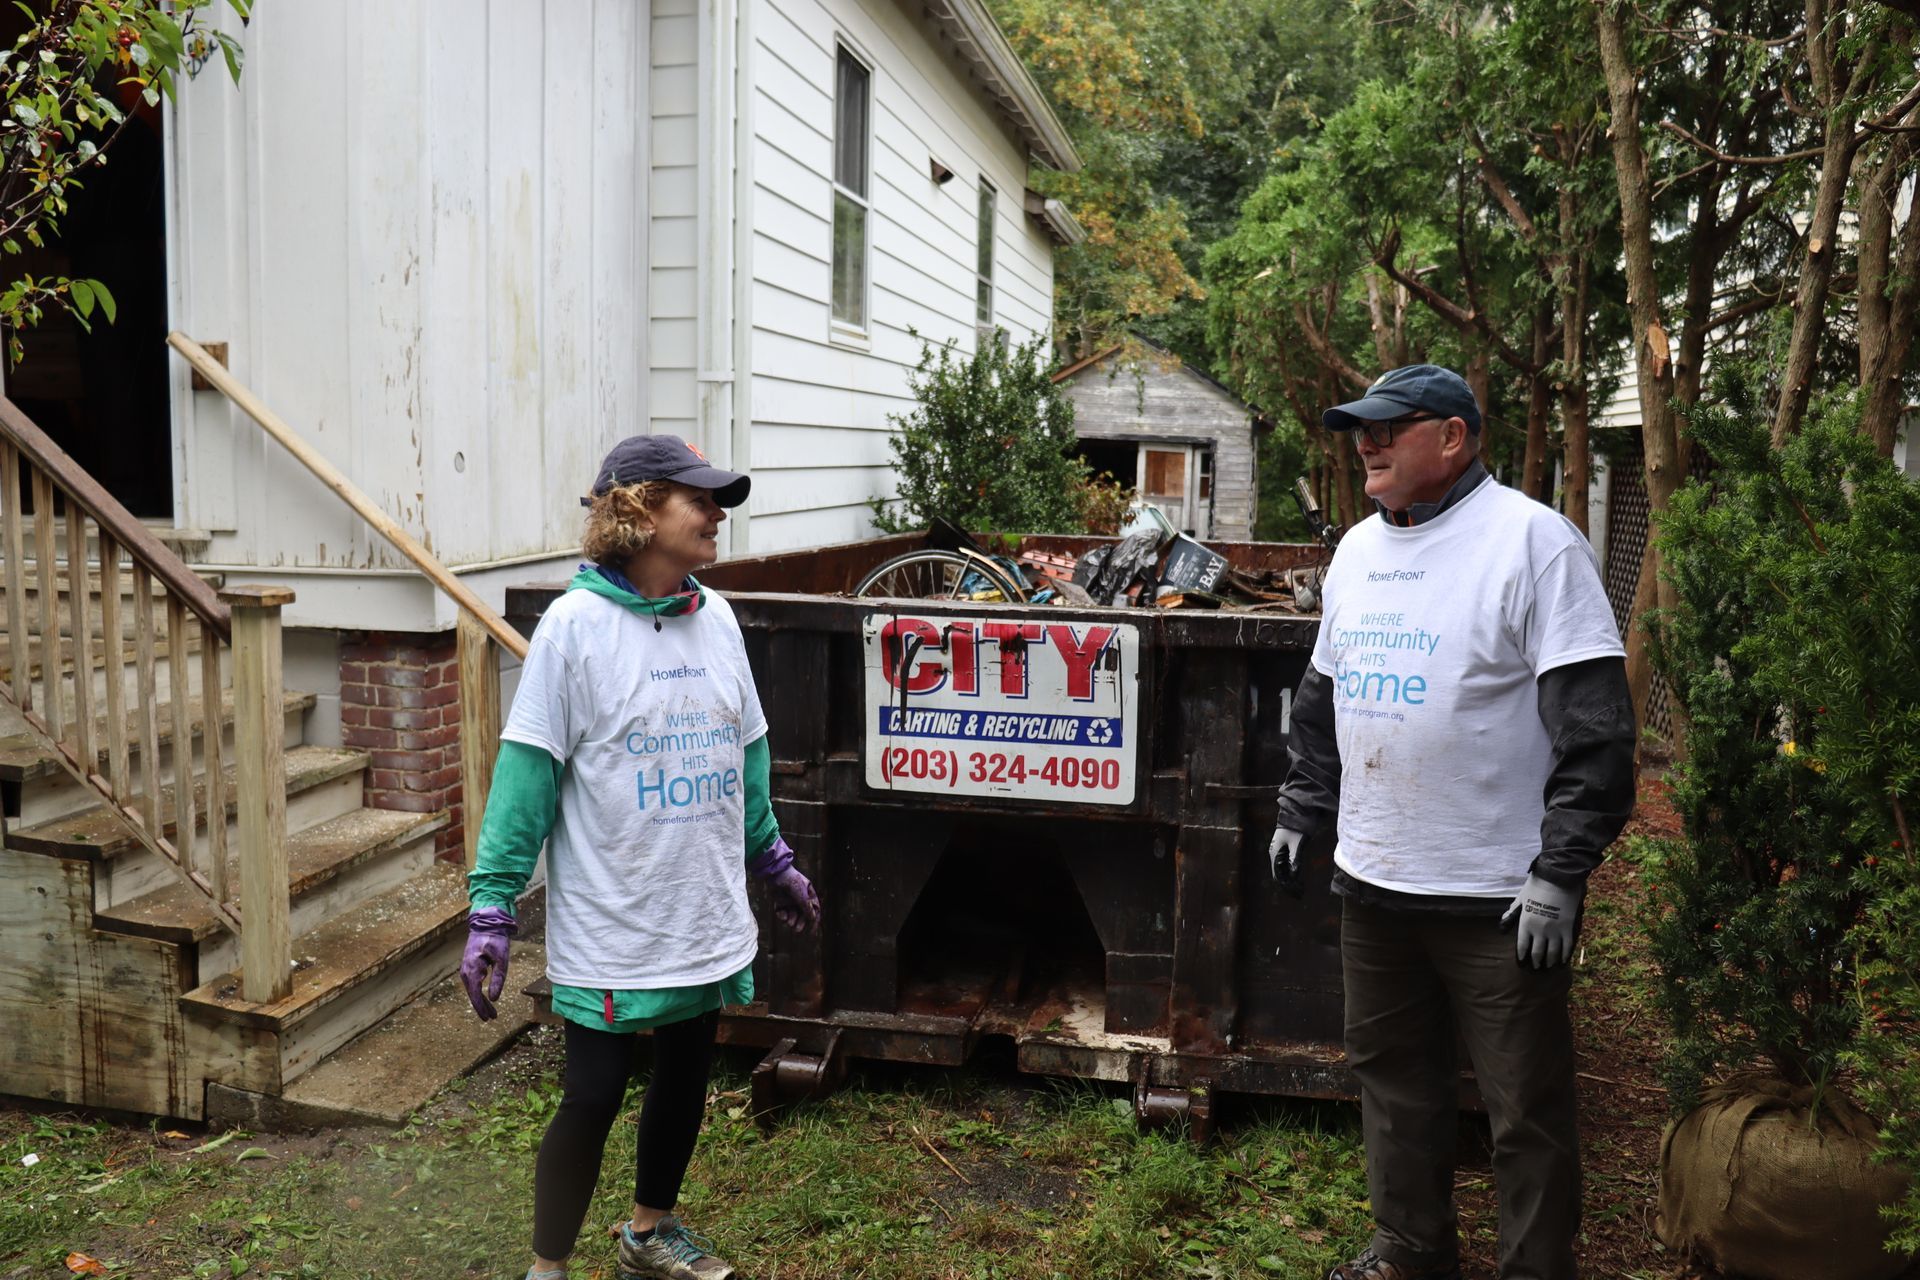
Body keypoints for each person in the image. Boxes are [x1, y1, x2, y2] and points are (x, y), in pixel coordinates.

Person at [1268, 366, 1635, 1280]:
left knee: (1525, 1111)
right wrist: (1301, 810)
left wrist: (1559, 873)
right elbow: (1323, 707)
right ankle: (1410, 1249)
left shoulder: (1532, 545)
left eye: (1390, 428)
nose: (1368, 443)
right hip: (1375, 882)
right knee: (1394, 1083)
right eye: (1360, 429)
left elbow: (1597, 734)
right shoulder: (1355, 552)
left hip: (1497, 898)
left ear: (1456, 436)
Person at [459, 435, 821, 1280]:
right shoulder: (576, 629)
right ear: (637, 509)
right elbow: (528, 776)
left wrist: (770, 857)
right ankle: (547, 1268)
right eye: (700, 498)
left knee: (688, 1072)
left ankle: (648, 1232)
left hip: (697, 905)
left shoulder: (717, 618)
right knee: (591, 1093)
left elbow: (748, 752)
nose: (718, 513)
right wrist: (492, 906)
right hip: (614, 919)